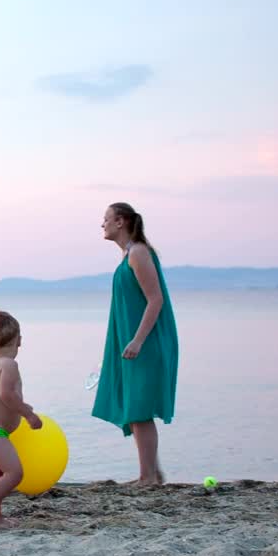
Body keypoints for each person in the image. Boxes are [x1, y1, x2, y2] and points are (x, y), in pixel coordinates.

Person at [93, 203, 179, 486]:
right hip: (134, 342)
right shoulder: (128, 254)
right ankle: (153, 474)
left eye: (105, 219)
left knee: (140, 409)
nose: (101, 224)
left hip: (147, 342)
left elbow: (156, 300)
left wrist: (138, 340)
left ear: (120, 222)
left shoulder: (139, 253)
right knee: (135, 408)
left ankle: (147, 477)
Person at [0, 311, 42, 529]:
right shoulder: (9, 365)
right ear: (19, 340)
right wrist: (27, 413)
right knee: (14, 474)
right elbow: (7, 395)